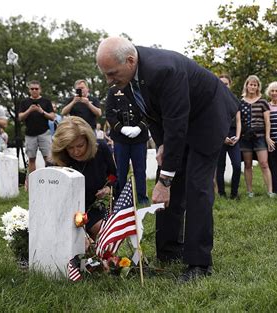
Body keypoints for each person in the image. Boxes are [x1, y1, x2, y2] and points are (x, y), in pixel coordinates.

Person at [96, 37, 239, 282]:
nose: (109, 81)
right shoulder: (129, 78)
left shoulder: (164, 70)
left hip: (208, 117)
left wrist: (165, 180)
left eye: (112, 73)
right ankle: (169, 250)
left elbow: (177, 123)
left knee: (196, 186)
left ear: (130, 61)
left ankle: (198, 263)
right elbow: (152, 114)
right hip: (180, 122)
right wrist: (162, 144)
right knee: (172, 179)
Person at [50, 116, 117, 238]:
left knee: (102, 229)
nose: (76, 152)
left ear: (88, 140)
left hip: (94, 206)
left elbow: (113, 175)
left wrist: (108, 188)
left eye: (80, 145)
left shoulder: (101, 149)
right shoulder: (59, 159)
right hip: (66, 209)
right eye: (70, 147)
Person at [105, 85, 150, 205]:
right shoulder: (113, 90)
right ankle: (121, 199)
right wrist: (121, 128)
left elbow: (149, 111)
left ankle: (142, 198)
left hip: (139, 137)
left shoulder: (140, 88)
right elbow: (109, 113)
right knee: (121, 171)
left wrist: (140, 127)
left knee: (140, 170)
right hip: (120, 138)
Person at [239, 75, 274, 198]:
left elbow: (267, 121)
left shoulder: (263, 102)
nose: (252, 86)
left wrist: (268, 137)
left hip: (260, 136)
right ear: (247, 86)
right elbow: (238, 121)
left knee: (264, 163)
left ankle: (270, 191)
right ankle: (249, 192)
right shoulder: (241, 102)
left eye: (255, 85)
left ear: (258, 87)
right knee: (247, 164)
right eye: (250, 84)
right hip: (245, 137)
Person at [19, 80, 55, 179]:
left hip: (44, 133)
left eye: (36, 89)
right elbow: (20, 117)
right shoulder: (24, 102)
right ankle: (32, 181)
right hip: (30, 134)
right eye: (32, 89)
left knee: (48, 158)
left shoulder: (46, 101)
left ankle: (49, 179)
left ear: (40, 90)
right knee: (31, 159)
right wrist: (29, 110)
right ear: (29, 90)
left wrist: (41, 111)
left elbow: (52, 117)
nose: (34, 90)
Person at [216, 74, 241, 199]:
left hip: (233, 137)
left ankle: (234, 193)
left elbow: (238, 120)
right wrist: (222, 137)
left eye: (226, 84)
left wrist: (237, 136)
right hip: (220, 136)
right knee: (220, 167)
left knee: (237, 165)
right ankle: (221, 193)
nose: (224, 86)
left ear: (230, 84)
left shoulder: (235, 100)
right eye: (221, 83)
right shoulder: (214, 100)